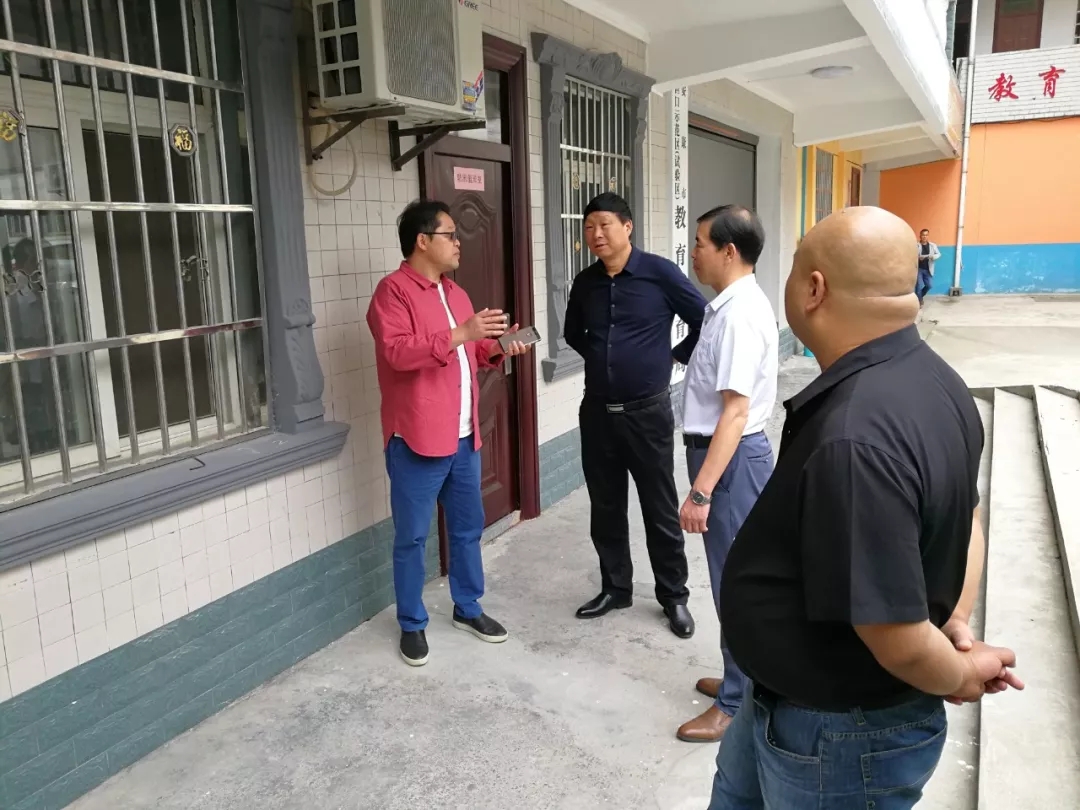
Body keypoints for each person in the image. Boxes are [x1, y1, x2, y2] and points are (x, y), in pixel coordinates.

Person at [708, 207, 1023, 809]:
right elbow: (968, 518)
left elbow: (898, 638)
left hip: (838, 734)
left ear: (814, 288)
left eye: (793, 267)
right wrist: (955, 621)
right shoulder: (937, 380)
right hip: (786, 701)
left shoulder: (854, 437)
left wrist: (958, 671)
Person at [366, 199, 532, 667]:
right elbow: (398, 352)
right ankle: (411, 623)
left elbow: (470, 353)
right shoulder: (392, 293)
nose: (459, 243)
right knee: (412, 538)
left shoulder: (456, 293)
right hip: (416, 439)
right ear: (422, 241)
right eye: (450, 234)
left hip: (464, 437)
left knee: (466, 528)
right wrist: (463, 333)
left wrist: (498, 347)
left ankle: (468, 607)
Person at [564, 192, 707, 638]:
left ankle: (674, 597)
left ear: (627, 227)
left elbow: (704, 320)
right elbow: (573, 333)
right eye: (589, 227)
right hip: (597, 414)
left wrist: (672, 356)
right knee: (605, 506)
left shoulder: (659, 273)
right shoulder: (585, 282)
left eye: (605, 224)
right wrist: (605, 359)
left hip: (648, 414)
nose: (596, 234)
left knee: (658, 507)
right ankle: (615, 588)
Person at [675, 206, 777, 744]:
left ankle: (737, 702)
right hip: (725, 455)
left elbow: (735, 413)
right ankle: (741, 679)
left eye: (700, 243)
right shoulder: (729, 306)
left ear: (729, 252)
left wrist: (700, 491)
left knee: (735, 585)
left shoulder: (738, 315)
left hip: (729, 461)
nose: (694, 253)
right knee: (731, 579)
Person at [915, 228, 940, 305]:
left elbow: (938, 254)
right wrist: (918, 258)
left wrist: (932, 257)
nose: (924, 236)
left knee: (929, 286)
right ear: (920, 236)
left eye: (926, 235)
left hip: (928, 269)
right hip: (919, 269)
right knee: (919, 286)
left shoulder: (932, 245)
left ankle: (919, 296)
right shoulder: (916, 245)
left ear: (928, 236)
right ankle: (919, 301)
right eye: (923, 235)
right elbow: (912, 255)